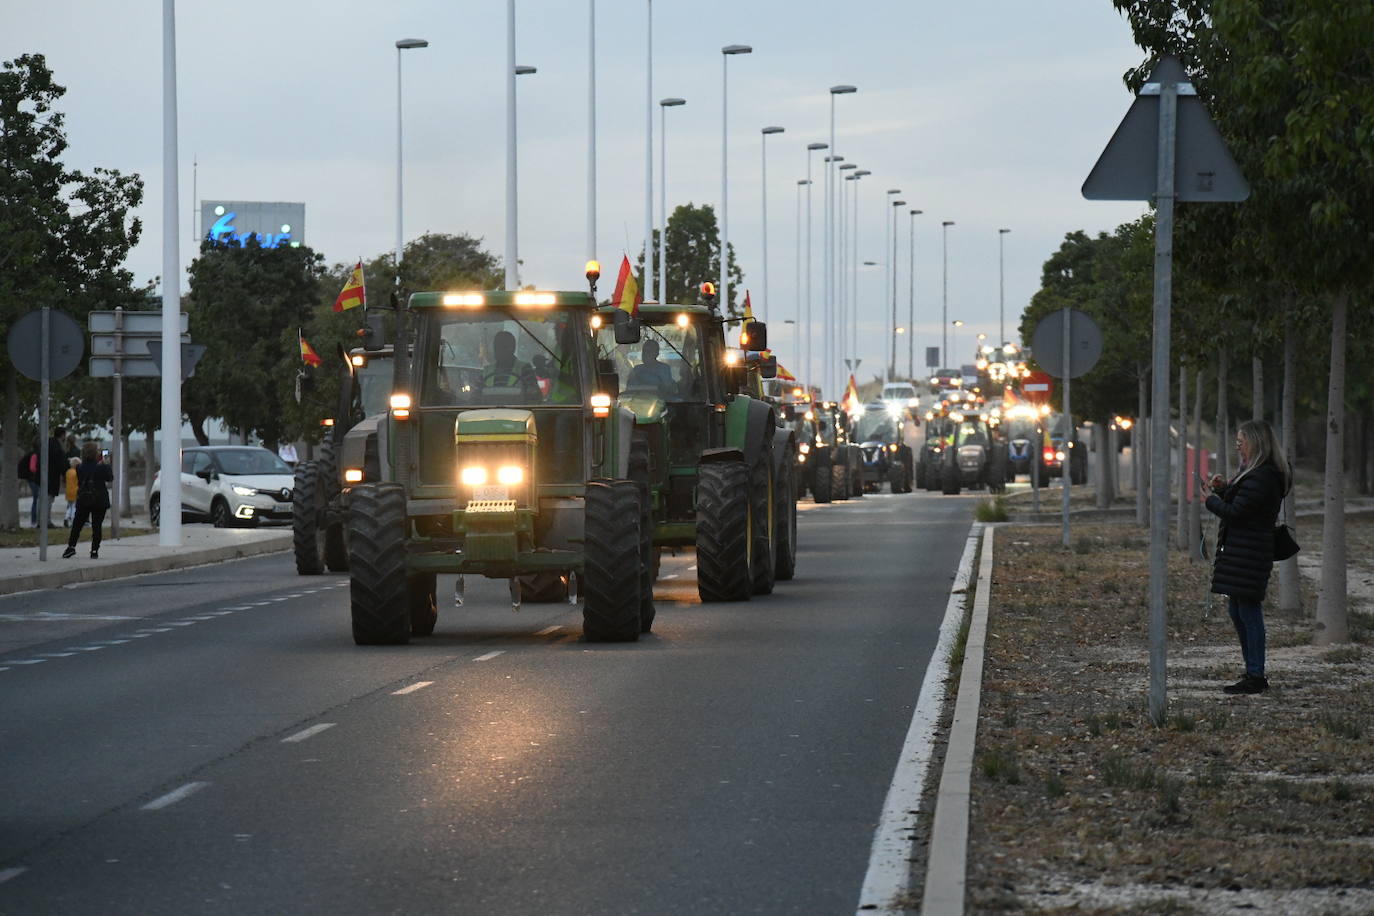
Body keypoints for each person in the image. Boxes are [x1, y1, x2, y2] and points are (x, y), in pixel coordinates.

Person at [1200, 418, 1291, 695]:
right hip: (1244, 551)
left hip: (1249, 552)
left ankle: (1256, 674)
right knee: (1238, 610)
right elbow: (1243, 503)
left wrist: (1211, 501)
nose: (1238, 447)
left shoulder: (1262, 476)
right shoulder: (1255, 473)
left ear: (1256, 443)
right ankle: (1252, 670)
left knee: (1249, 612)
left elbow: (1237, 513)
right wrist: (1224, 489)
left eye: (1241, 442)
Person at [63, 442, 113, 559]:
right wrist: (106, 464)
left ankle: (71, 547)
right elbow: (110, 478)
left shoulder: (79, 467)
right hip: (99, 499)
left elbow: (81, 480)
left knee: (77, 524)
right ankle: (94, 550)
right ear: (96, 453)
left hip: (84, 499)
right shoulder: (102, 467)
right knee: (97, 526)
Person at [481, 330, 540, 400]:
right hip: (488, 411)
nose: (499, 350)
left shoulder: (525, 369)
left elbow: (534, 397)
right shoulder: (486, 371)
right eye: (497, 346)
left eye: (504, 347)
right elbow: (474, 397)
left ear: (513, 348)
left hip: (518, 410)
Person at [64, 456, 81, 526]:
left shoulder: (68, 472)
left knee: (69, 506)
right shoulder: (76, 472)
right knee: (74, 507)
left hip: (68, 491)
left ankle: (66, 517)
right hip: (75, 491)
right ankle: (72, 519)